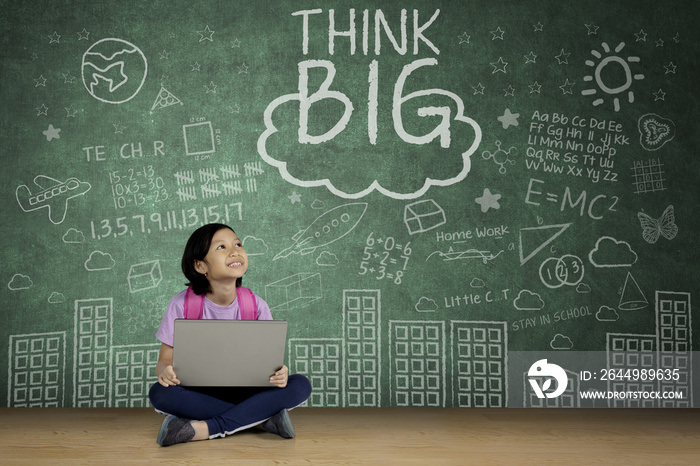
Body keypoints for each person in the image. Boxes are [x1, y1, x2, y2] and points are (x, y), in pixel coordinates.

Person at [149, 223, 312, 447]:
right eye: (221, 247)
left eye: (237, 244)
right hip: (197, 391)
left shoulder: (257, 305)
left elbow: (269, 364)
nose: (234, 251)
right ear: (199, 265)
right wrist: (164, 373)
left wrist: (279, 373)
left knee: (301, 384)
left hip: (246, 391)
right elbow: (163, 361)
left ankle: (204, 428)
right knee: (160, 393)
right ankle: (260, 420)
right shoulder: (180, 305)